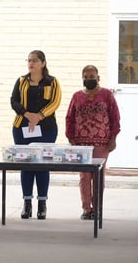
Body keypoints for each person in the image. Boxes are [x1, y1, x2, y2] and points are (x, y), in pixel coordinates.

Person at [10, 50, 62, 220]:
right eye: (29, 60)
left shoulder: (52, 82)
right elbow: (14, 101)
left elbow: (55, 102)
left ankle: (42, 203)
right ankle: (27, 203)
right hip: (22, 128)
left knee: (41, 165)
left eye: (34, 60)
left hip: (46, 128)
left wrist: (38, 117)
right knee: (26, 165)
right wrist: (28, 115)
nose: (31, 63)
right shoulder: (21, 80)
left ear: (43, 63)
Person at [65, 65, 120, 220]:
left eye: (92, 76)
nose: (89, 79)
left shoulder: (107, 95)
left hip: (102, 144)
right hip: (81, 145)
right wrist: (71, 138)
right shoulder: (77, 96)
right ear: (82, 79)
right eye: (86, 77)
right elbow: (69, 118)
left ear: (98, 78)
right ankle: (86, 209)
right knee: (84, 177)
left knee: (98, 176)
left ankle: (97, 208)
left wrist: (113, 139)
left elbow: (115, 118)